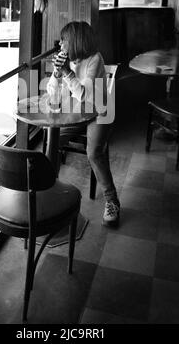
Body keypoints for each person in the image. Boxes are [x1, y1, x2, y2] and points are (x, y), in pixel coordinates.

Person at [47, 21, 120, 225]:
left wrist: (67, 74)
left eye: (64, 40)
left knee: (94, 152)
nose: (60, 44)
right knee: (53, 140)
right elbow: (53, 97)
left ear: (75, 41)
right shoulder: (68, 60)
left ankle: (112, 200)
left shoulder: (94, 59)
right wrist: (55, 74)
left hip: (101, 111)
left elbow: (85, 96)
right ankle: (48, 191)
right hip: (78, 111)